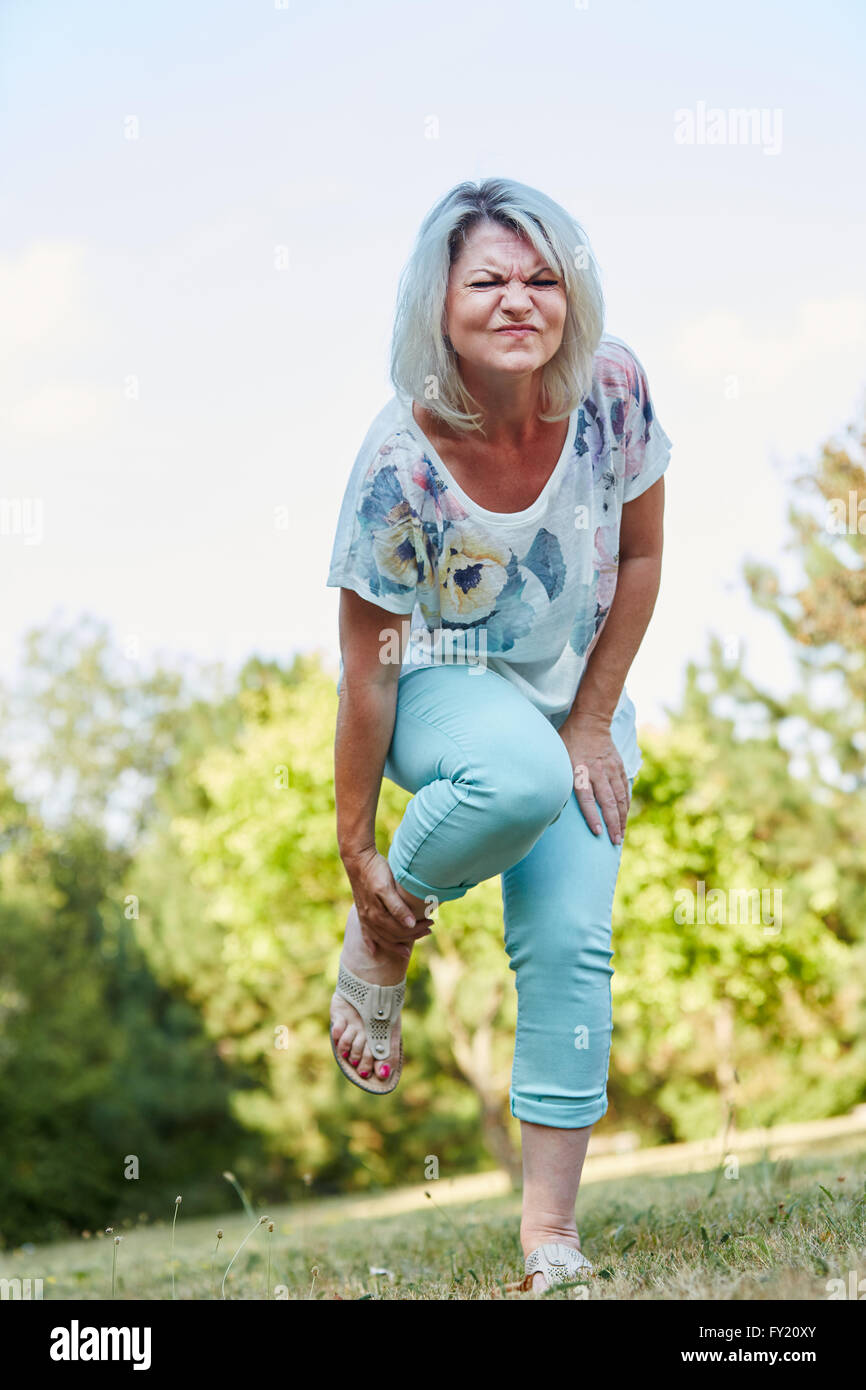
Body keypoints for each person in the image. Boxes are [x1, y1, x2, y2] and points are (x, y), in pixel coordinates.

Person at [326, 177, 672, 1293]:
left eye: (541, 277)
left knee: (572, 941)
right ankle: (383, 933)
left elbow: (641, 559)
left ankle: (548, 1239)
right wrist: (360, 854)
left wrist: (590, 716)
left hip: (579, 691)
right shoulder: (396, 467)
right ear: (439, 304)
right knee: (515, 777)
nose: (519, 298)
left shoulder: (612, 390)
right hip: (442, 678)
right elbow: (367, 671)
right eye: (487, 280)